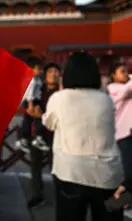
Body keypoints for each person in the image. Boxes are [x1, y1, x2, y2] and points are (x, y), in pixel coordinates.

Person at [42, 52, 124, 221]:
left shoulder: (59, 98)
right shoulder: (105, 99)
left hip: (71, 174)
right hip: (109, 175)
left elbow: (49, 123)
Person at [25, 62, 61, 208]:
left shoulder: (62, 93)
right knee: (35, 164)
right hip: (39, 134)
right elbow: (28, 103)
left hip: (57, 133)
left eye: (56, 72)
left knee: (57, 166)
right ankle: (36, 195)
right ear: (45, 76)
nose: (53, 74)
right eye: (50, 72)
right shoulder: (38, 90)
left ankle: (61, 197)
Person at [16, 56, 49, 153]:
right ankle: (37, 137)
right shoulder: (32, 80)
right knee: (37, 118)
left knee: (29, 119)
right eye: (38, 69)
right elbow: (29, 93)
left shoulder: (36, 79)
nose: (41, 71)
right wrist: (30, 105)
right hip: (32, 101)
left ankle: (24, 139)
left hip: (33, 101)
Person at [108, 62, 132, 181]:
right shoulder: (112, 88)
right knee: (128, 168)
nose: (126, 74)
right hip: (123, 134)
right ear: (114, 75)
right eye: (122, 72)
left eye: (126, 71)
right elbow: (126, 91)